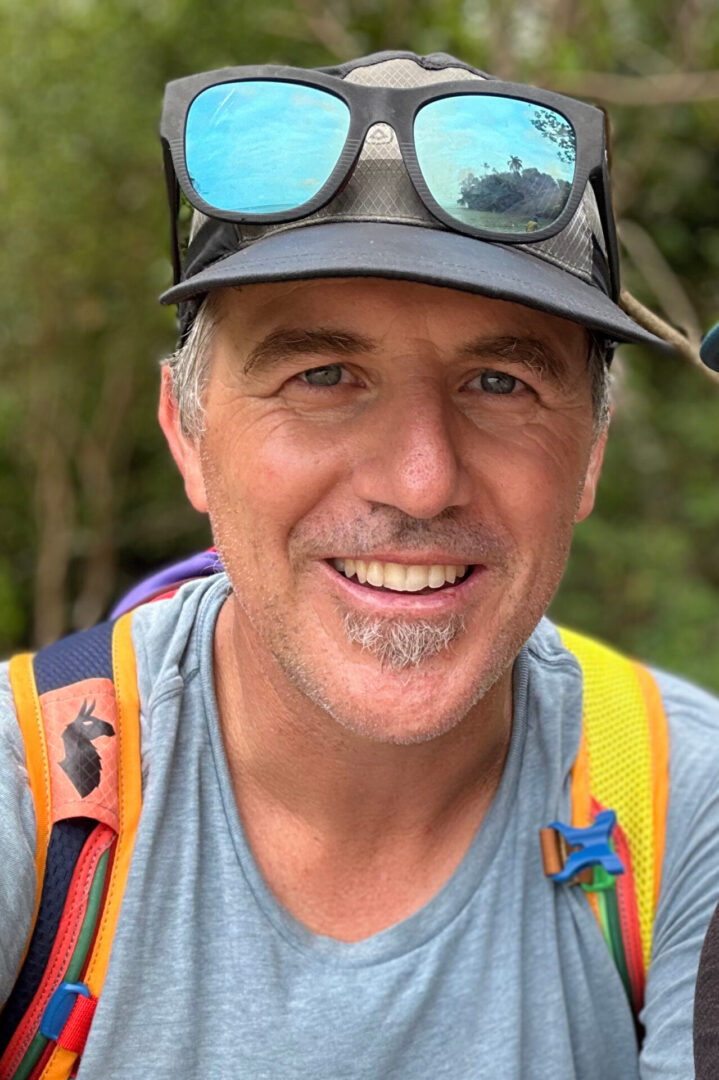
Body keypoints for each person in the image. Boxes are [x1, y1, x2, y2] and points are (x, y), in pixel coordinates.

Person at [1, 48, 718, 1080]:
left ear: (589, 455)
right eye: (323, 374)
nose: (421, 482)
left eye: (499, 383)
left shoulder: (678, 806)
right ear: (188, 435)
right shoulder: (34, 798)